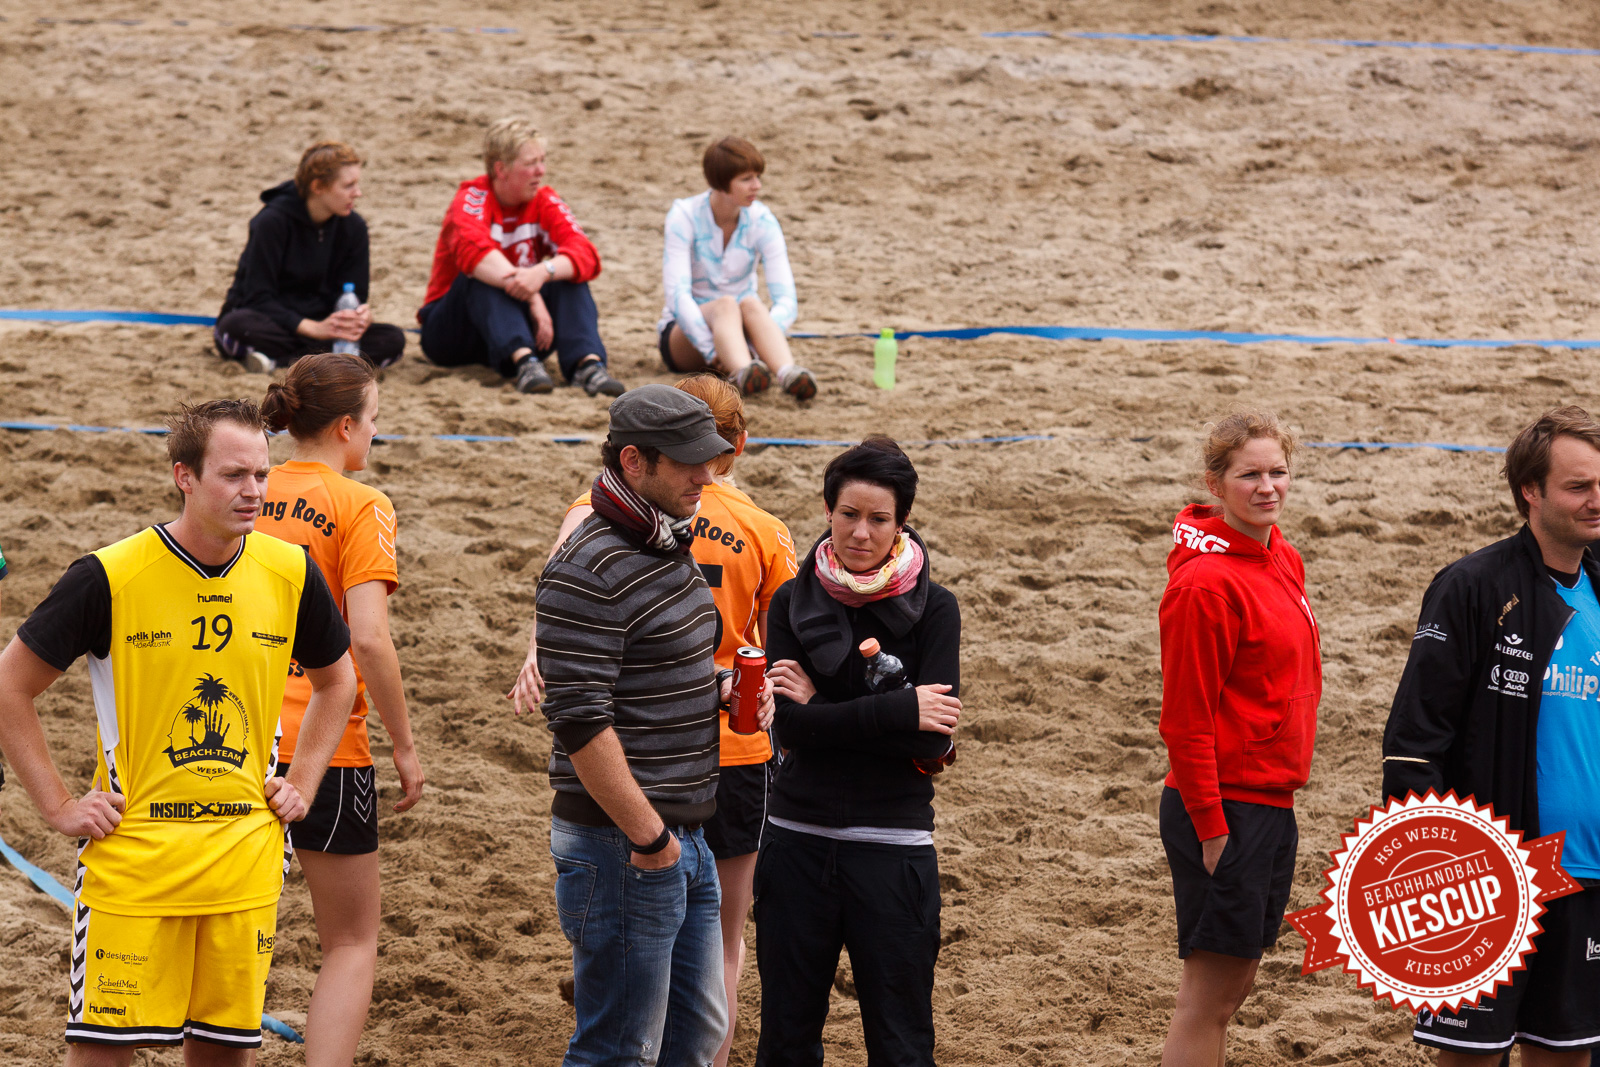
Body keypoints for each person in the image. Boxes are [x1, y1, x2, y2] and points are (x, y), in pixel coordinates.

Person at [0, 398, 356, 1061]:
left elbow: (339, 680)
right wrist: (56, 803)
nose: (253, 491)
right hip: (134, 862)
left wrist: (303, 779)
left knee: (223, 1054)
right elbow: (9, 686)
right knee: (103, 1053)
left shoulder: (290, 571)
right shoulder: (108, 575)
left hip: (242, 863)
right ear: (183, 476)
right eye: (233, 474)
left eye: (261, 473)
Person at [509, 374, 797, 1067]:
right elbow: (578, 721)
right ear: (634, 461)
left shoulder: (665, 538)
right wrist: (651, 838)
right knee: (617, 1048)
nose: (708, 472)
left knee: (693, 1037)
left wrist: (724, 686)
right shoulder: (589, 565)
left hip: (682, 827)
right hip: (626, 841)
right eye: (689, 459)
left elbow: (660, 665)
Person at [1385, 406, 1600, 1065]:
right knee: (1471, 1058)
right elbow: (1412, 743)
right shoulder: (1472, 587)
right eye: (1578, 486)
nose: (1597, 499)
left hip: (1589, 875)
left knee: (1566, 1054)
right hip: (1492, 877)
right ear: (1530, 491)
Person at [754, 436, 961, 1066]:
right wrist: (897, 708)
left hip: (892, 850)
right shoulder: (792, 599)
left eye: (878, 519)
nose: (861, 533)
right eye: (849, 515)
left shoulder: (936, 608)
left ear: (901, 524)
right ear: (827, 512)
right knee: (787, 1041)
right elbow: (790, 729)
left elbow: (932, 740)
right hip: (795, 843)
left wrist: (824, 709)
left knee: (901, 1046)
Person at [256, 354, 425, 1067]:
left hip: (233, 732)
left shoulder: (242, 485)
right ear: (348, 425)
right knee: (351, 942)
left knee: (233, 936)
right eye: (376, 419)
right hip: (325, 746)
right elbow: (368, 638)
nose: (376, 434)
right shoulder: (361, 503)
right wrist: (406, 745)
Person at [1155, 412, 1320, 1067]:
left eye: (1277, 471)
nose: (1267, 485)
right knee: (1208, 999)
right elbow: (1184, 718)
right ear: (1215, 482)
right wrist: (1212, 825)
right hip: (1225, 805)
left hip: (1270, 799)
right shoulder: (1202, 583)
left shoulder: (1283, 554)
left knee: (1233, 988)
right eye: (1249, 473)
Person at [418, 118, 624, 398]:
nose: (540, 171)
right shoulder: (472, 198)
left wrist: (543, 272)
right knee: (481, 276)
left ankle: (586, 364)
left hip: (520, 326)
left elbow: (586, 253)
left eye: (542, 160)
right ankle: (525, 362)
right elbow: (474, 253)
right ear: (500, 169)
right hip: (453, 332)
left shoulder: (544, 200)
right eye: (530, 163)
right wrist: (533, 295)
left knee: (569, 275)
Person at [215, 142, 406, 373]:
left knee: (392, 340)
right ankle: (323, 362)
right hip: (275, 321)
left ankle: (278, 361)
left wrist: (360, 316)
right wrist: (313, 328)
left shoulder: (354, 227)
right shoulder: (271, 223)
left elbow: (355, 293)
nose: (358, 193)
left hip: (325, 326)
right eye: (348, 185)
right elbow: (258, 297)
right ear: (318, 186)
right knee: (234, 328)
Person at [660, 137, 816, 401]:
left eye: (757, 176)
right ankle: (745, 371)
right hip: (686, 336)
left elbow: (786, 299)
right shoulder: (684, 215)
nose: (757, 185)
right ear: (721, 183)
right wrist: (712, 350)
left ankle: (786, 372)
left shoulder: (762, 219)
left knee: (751, 305)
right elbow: (677, 295)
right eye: (746, 179)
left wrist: (757, 341)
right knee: (727, 304)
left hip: (741, 334)